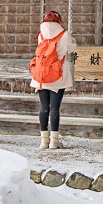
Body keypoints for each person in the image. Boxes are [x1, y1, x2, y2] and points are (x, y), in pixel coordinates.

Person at [30, 10, 77, 149]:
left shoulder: (41, 34)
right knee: (55, 108)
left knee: (44, 108)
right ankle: (54, 141)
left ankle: (44, 141)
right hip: (57, 74)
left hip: (41, 75)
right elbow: (70, 49)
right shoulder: (64, 34)